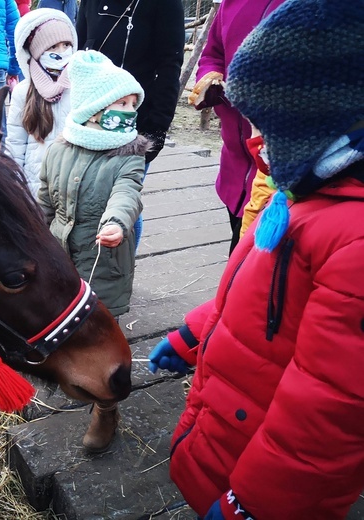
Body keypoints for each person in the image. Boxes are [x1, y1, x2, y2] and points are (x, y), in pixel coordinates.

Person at [148, 0, 364, 517]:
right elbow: (252, 287)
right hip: (236, 426)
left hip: (269, 483)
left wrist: (256, 505)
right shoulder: (304, 193)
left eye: (272, 126)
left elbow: (331, 409)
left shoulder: (352, 239)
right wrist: (197, 332)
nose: (253, 140)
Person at [38, 50, 148, 452]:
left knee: (103, 332)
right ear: (93, 109)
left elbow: (127, 194)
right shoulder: (57, 151)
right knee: (59, 323)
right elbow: (44, 202)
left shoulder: (129, 157)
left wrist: (117, 222)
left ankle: (106, 408)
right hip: (60, 261)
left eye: (132, 104)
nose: (128, 112)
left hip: (105, 263)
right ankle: (64, 371)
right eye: (120, 103)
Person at [75, 0, 184, 252]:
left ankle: (121, 272)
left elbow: (170, 65)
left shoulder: (165, 5)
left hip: (134, 123)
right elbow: (80, 53)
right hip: (89, 119)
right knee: (83, 195)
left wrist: (157, 127)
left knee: (123, 200)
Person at [188, 0, 287, 254]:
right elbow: (213, 53)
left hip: (281, 172)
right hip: (235, 166)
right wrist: (210, 79)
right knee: (238, 249)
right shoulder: (233, 3)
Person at [6, 8, 76, 197]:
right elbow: (15, 143)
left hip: (75, 185)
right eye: (53, 47)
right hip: (36, 186)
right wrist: (14, 185)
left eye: (66, 45)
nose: (62, 52)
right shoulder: (23, 91)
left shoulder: (80, 85)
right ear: (36, 52)